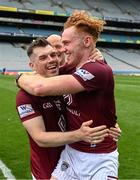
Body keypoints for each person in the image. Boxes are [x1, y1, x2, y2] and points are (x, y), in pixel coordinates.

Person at [17, 11, 121, 179]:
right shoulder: (69, 69)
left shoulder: (98, 69)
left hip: (99, 157)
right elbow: (43, 77)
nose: (62, 51)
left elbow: (40, 87)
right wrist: (22, 77)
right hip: (72, 152)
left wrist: (19, 77)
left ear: (87, 41)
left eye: (66, 43)